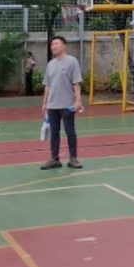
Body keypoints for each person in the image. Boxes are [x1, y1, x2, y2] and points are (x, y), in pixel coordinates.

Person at [40, 36, 83, 170]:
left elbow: (76, 82)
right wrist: (45, 103)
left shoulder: (72, 61)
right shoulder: (50, 64)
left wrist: (78, 101)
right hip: (52, 105)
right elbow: (47, 85)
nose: (53, 46)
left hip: (67, 105)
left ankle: (73, 158)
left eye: (56, 44)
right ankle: (54, 159)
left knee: (70, 131)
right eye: (52, 44)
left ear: (64, 45)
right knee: (54, 132)